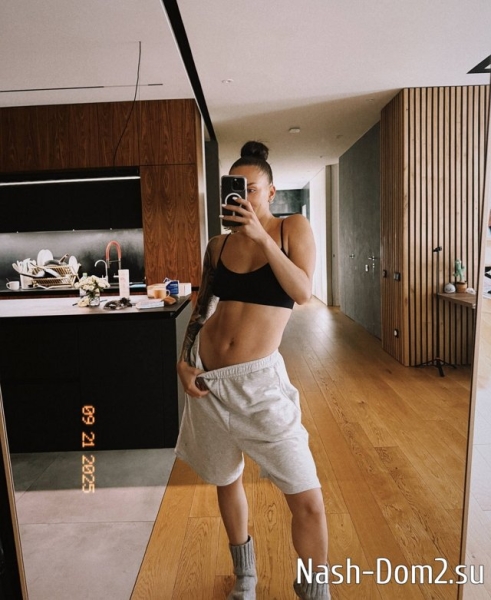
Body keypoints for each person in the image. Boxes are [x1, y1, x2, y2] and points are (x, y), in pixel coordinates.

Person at [175, 141, 330, 600]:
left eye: (251, 189)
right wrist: (183, 361)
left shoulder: (291, 228)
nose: (241, 197)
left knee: (307, 497)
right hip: (208, 382)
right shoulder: (218, 245)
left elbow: (302, 292)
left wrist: (262, 237)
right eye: (233, 188)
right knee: (226, 479)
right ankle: (245, 576)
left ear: (271, 192)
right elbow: (202, 307)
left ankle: (315, 591)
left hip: (260, 386)